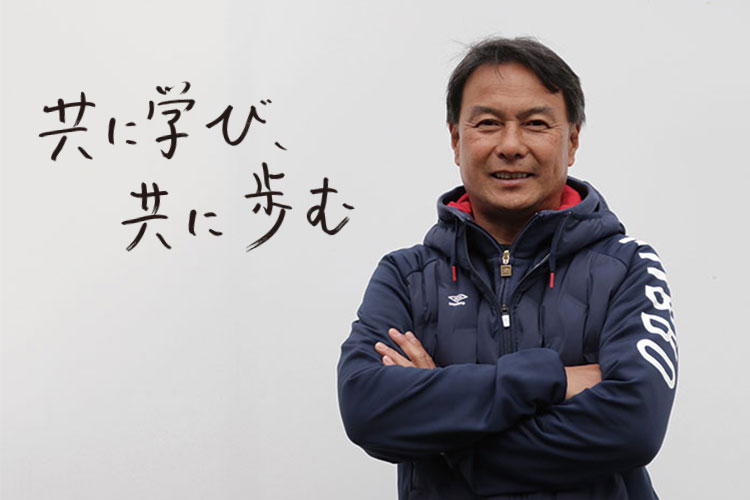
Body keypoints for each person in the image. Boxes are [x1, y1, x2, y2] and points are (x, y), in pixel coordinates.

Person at [337, 37, 677, 500]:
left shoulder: (627, 267)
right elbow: (367, 409)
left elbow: (634, 427)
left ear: (572, 140)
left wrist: (447, 442)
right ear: (456, 140)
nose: (511, 145)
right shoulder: (406, 276)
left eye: (536, 124)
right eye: (488, 124)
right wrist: (554, 378)